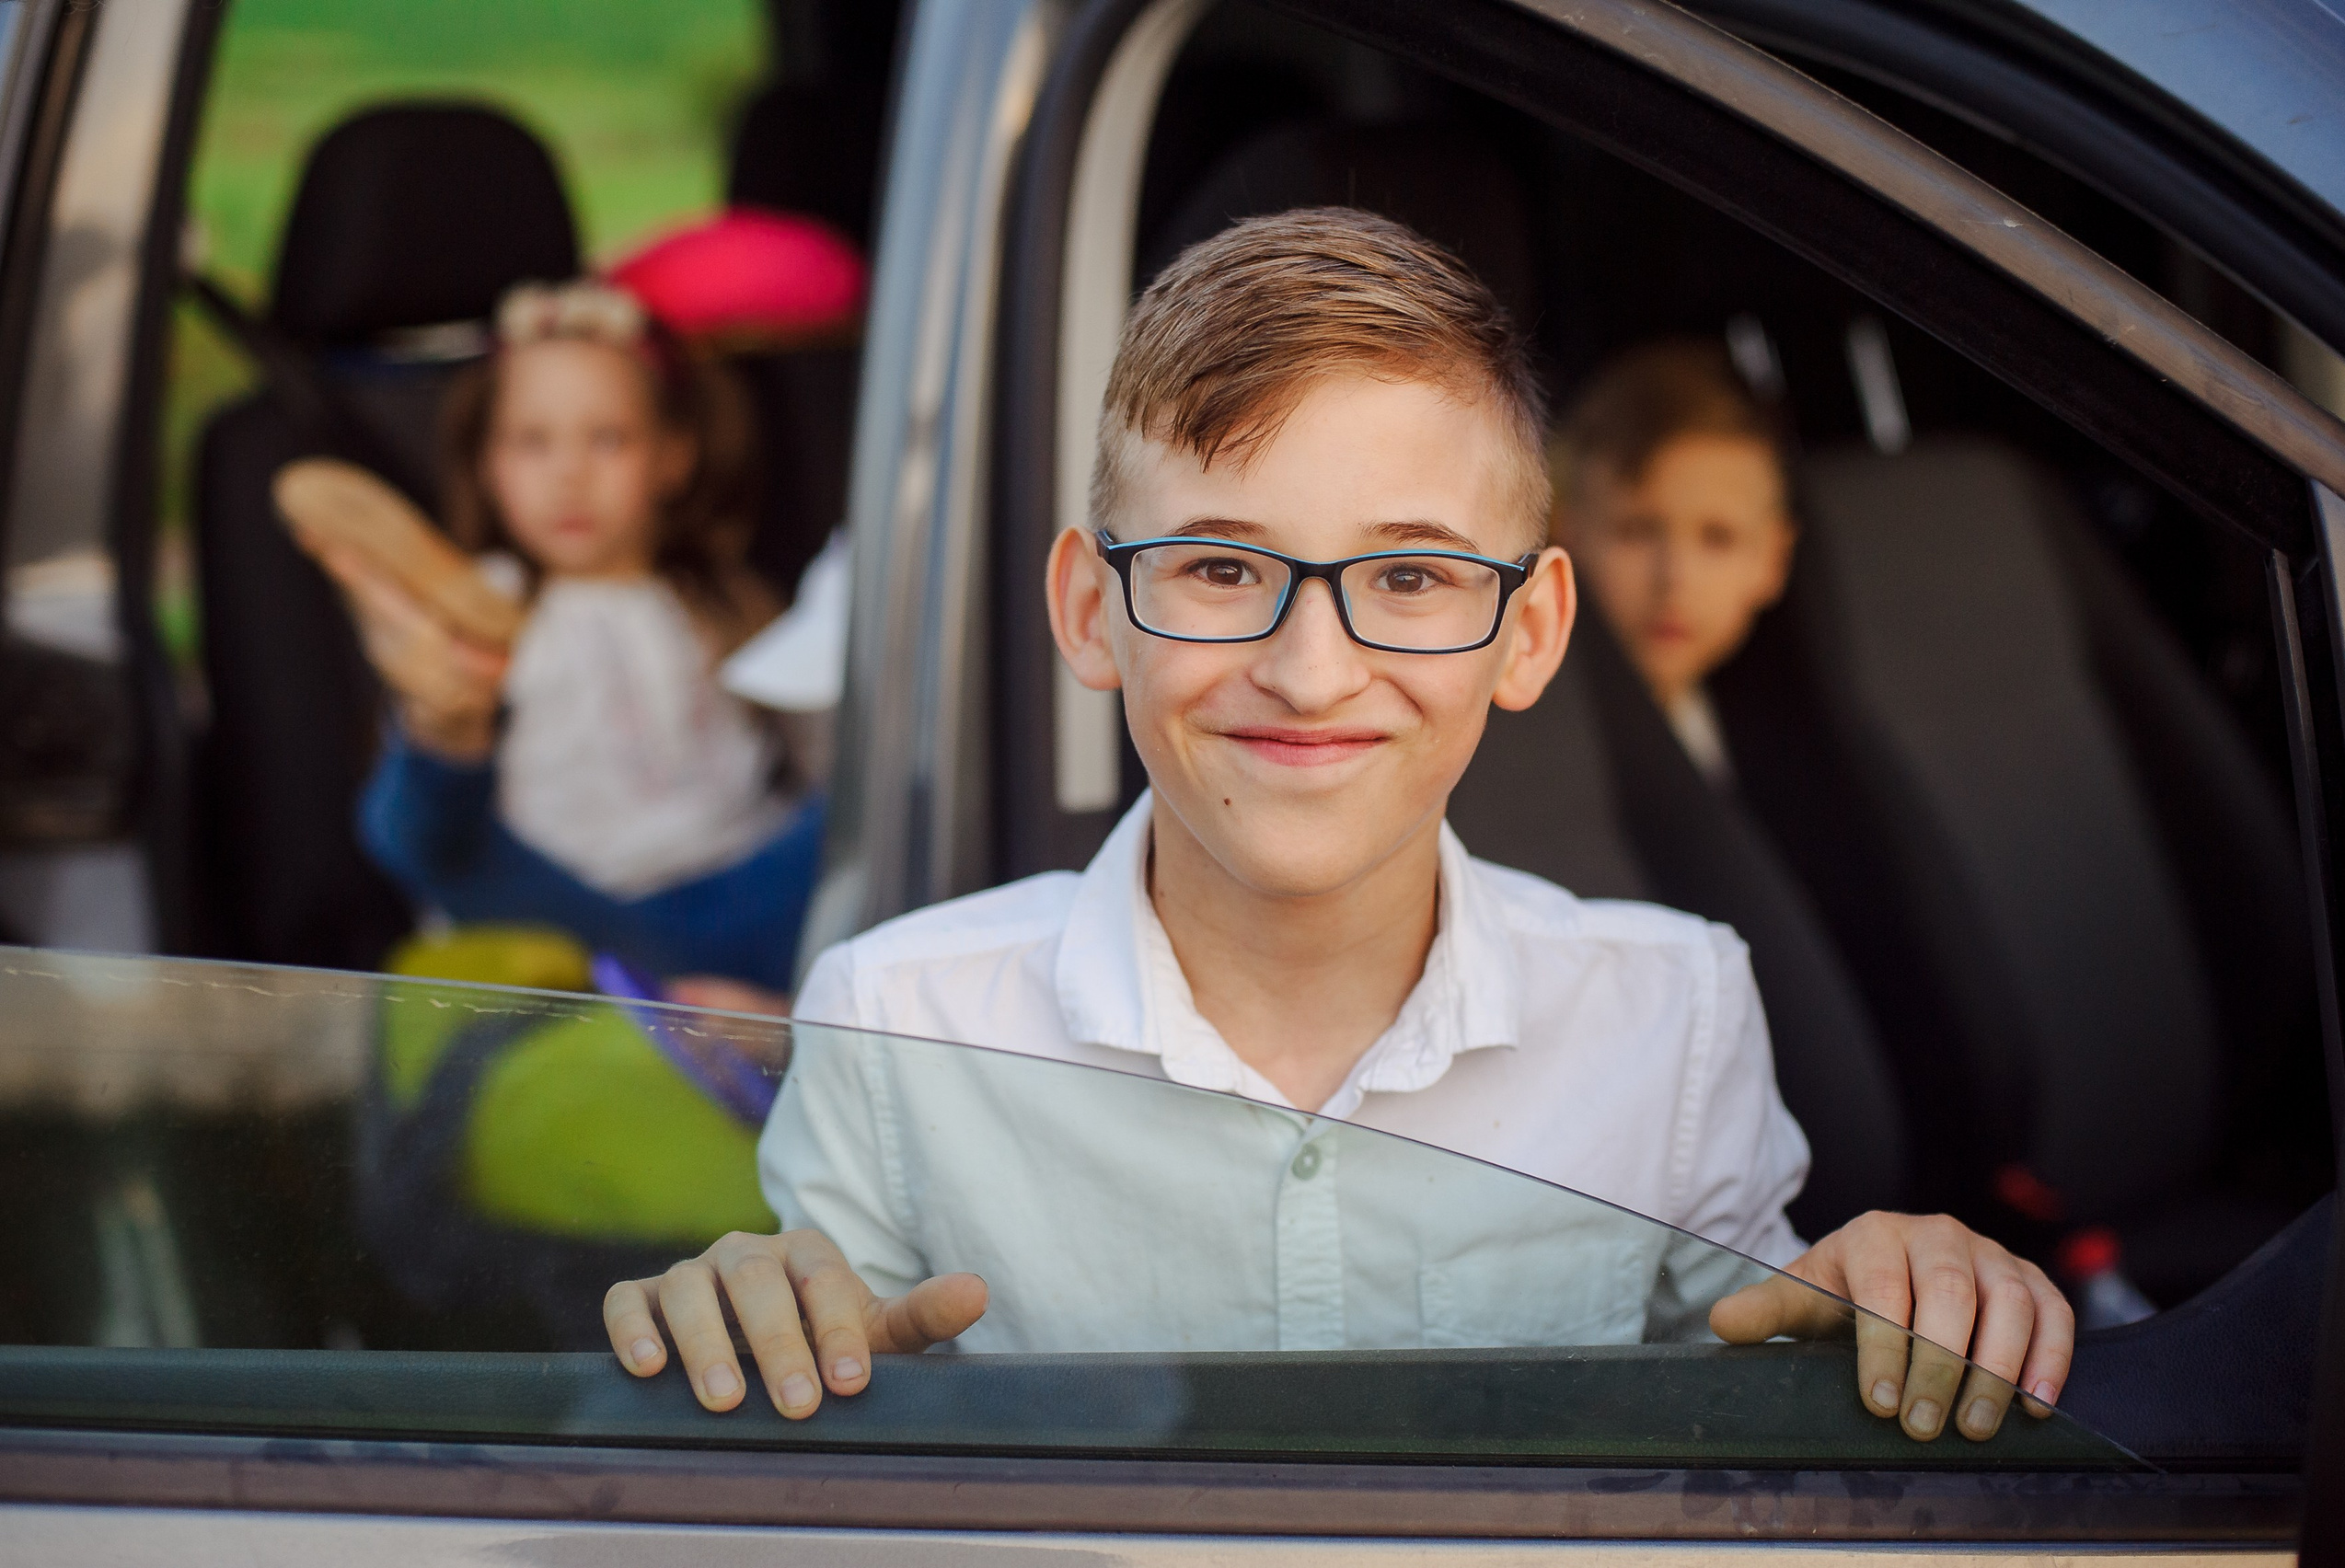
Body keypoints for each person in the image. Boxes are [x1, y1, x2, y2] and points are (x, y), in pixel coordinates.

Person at [600, 210, 2073, 1439]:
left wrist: (1881, 1296)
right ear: (1088, 610)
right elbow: (819, 1397)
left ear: (1531, 632)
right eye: (1220, 569)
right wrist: (744, 1333)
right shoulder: (896, 1019)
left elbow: (1742, 1405)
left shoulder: (1671, 1010)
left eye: (1414, 580)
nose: (1311, 671)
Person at [318, 280, 825, 994]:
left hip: (739, 896)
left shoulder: (723, 603)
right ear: (488, 465)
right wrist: (448, 710)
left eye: (608, 440)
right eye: (533, 443)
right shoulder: (483, 603)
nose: (569, 474)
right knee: (430, 837)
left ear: (672, 457)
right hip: (569, 912)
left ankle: (735, 1007)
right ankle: (678, 1002)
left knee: (855, 818)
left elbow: (821, 762)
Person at [1549, 340, 1795, 788]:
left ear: (1774, 560)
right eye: (1636, 532)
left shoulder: (1782, 746)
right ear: (1566, 538)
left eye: (1718, 539)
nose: (1674, 581)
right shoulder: (1542, 756)